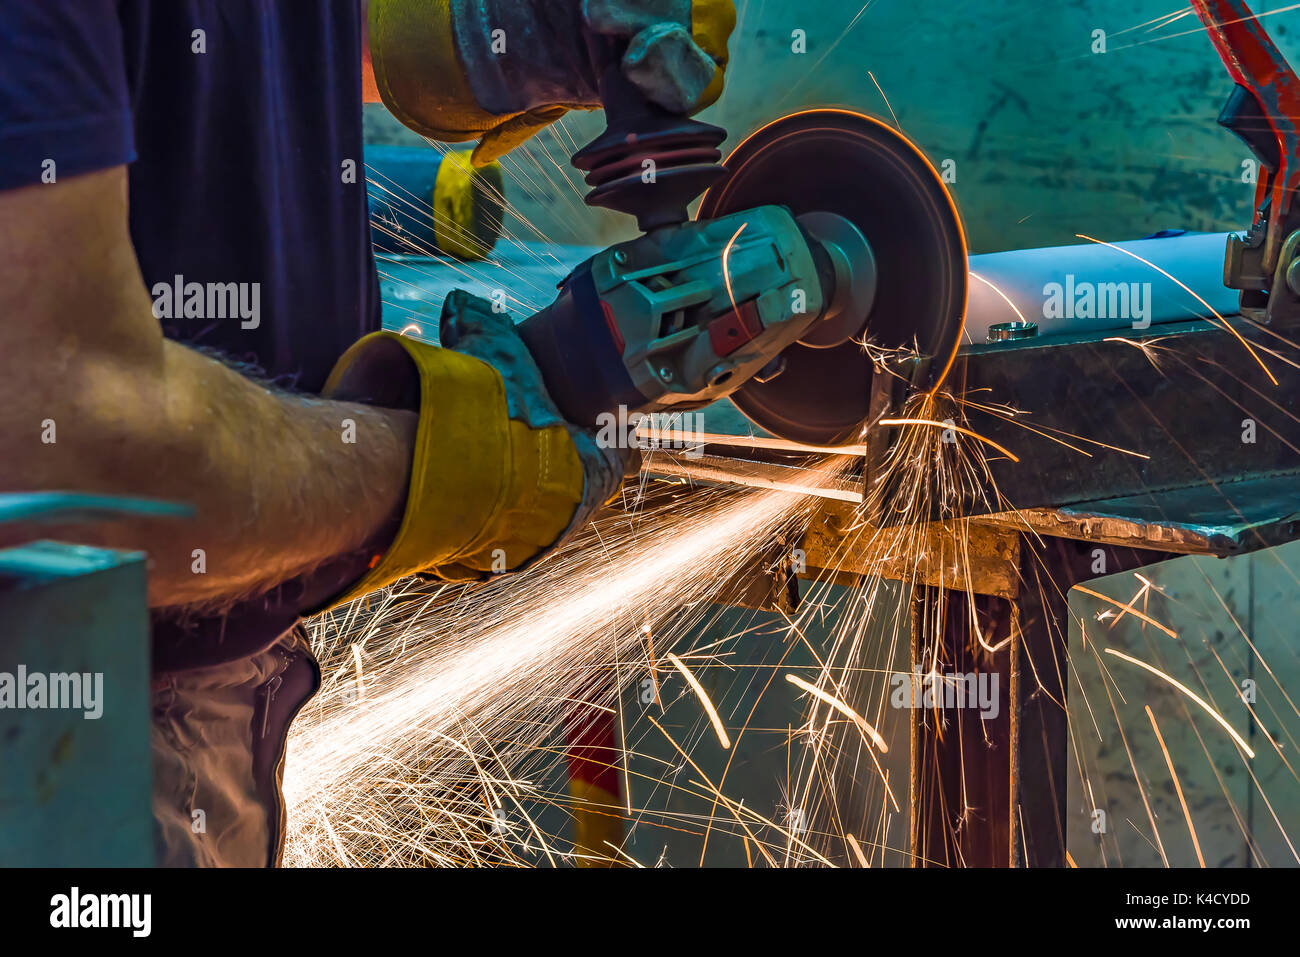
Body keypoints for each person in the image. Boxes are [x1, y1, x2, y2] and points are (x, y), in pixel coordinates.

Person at [0, 0, 733, 866]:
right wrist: (460, 462)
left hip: (218, 688)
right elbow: (66, 449)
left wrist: (494, 32)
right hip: (65, 722)